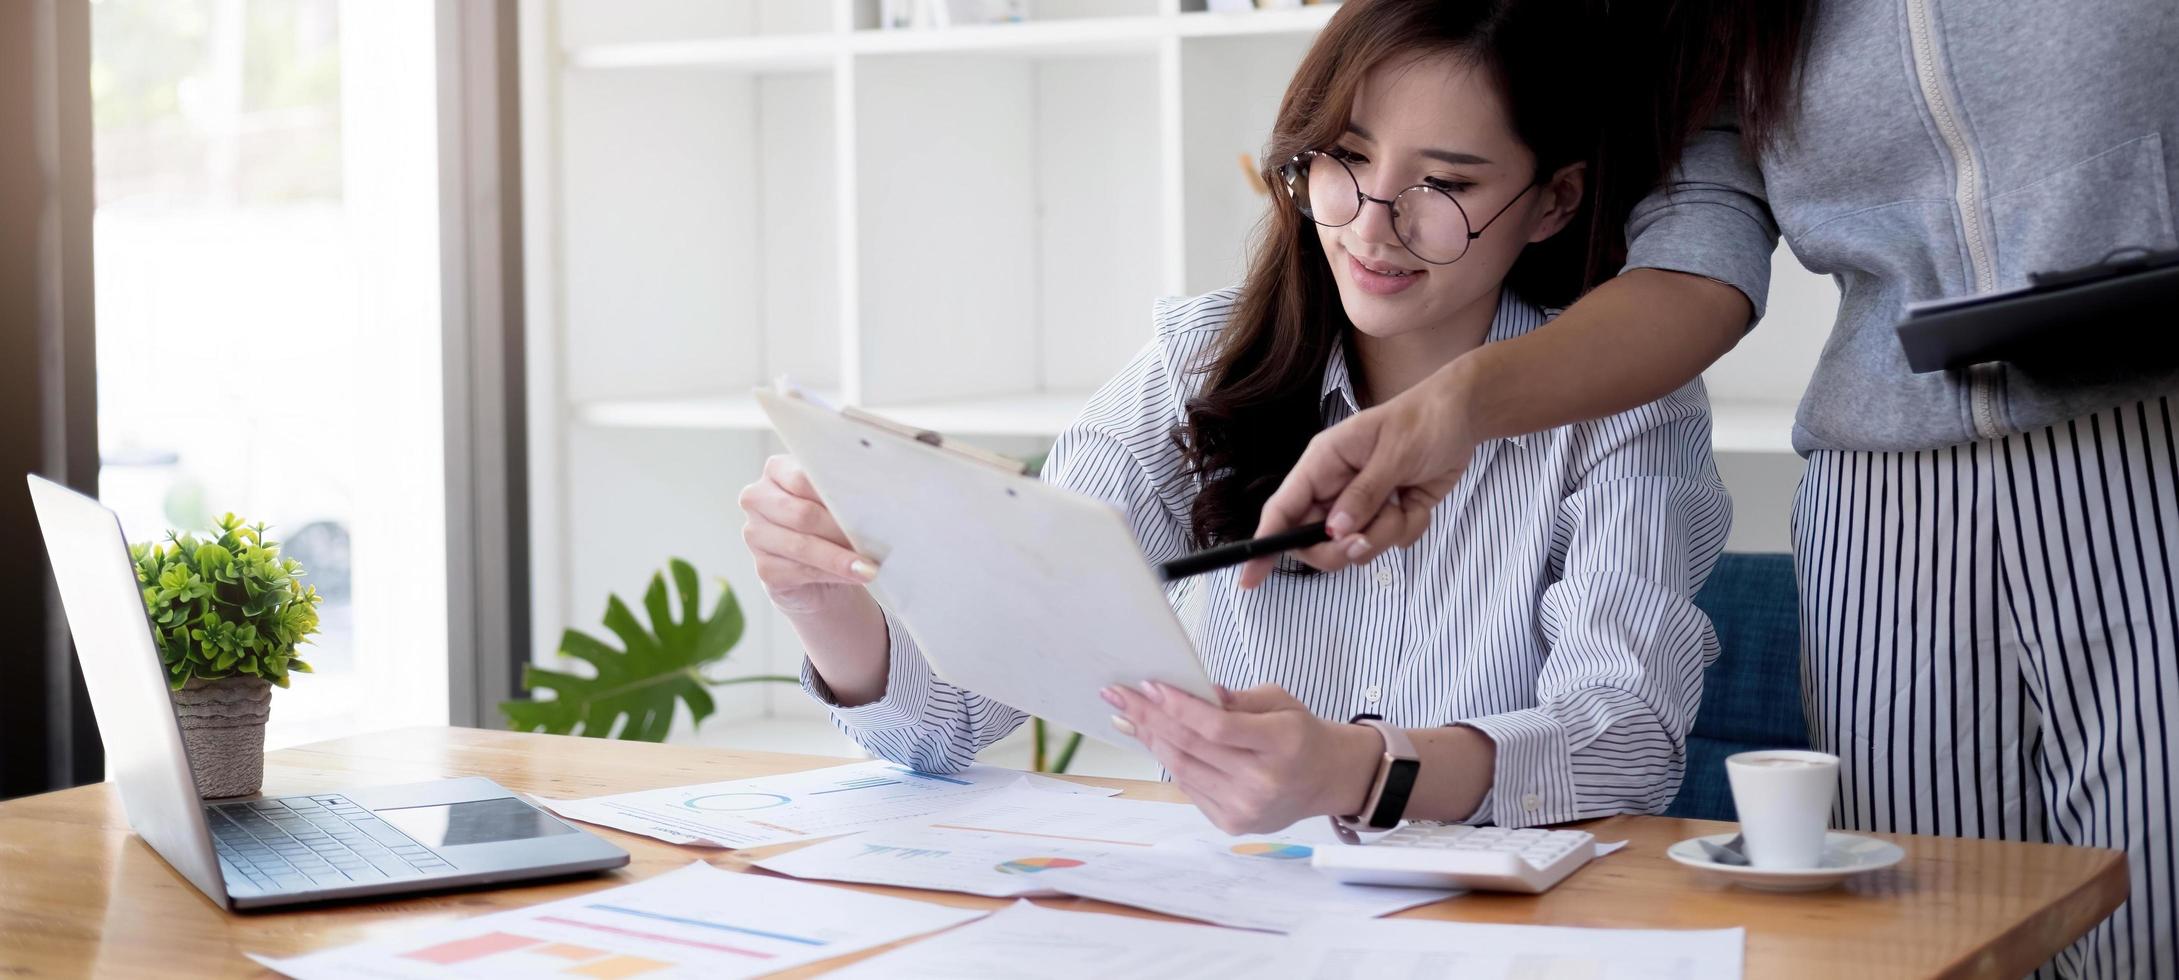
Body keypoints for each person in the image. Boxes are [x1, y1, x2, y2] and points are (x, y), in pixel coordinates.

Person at [1246, 1, 2179, 975]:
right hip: (1884, 509)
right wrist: (1459, 406)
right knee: (1912, 941)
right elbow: (1697, 252)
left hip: (2145, 443)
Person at [738, 0, 1729, 836]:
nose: (1371, 223)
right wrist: (826, 601)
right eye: (1344, 159)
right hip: (1234, 923)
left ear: (1553, 202)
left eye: (1446, 185)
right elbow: (941, 725)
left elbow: (1626, 742)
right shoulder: (1197, 367)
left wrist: (1360, 771)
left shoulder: (1621, 406)